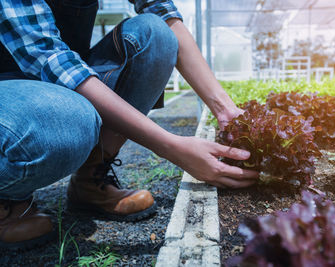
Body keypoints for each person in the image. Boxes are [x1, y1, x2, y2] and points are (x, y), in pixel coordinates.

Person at [0, 0, 259, 250]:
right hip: (12, 88)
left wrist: (225, 111)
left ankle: (90, 181)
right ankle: (8, 199)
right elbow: (47, 56)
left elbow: (162, 10)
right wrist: (170, 147)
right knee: (70, 121)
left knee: (156, 35)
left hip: (54, 84)